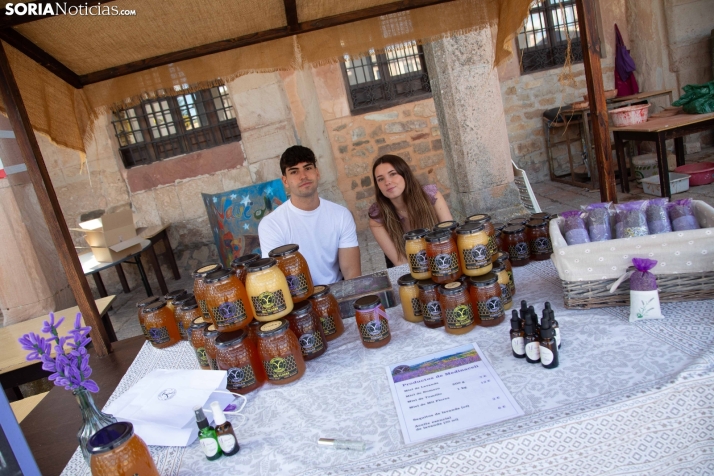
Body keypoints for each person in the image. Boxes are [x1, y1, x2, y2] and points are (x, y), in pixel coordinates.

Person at [258, 145, 361, 284]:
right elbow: (277, 281)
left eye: (307, 168)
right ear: (285, 181)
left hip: (338, 292)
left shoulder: (341, 215)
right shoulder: (271, 225)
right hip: (299, 301)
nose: (303, 176)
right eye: (294, 172)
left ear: (317, 173)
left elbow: (352, 274)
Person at [368, 154, 453, 266]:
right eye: (380, 179)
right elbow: (400, 263)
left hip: (443, 262)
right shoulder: (378, 217)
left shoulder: (431, 197)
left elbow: (450, 238)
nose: (387, 182)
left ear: (405, 175)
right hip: (408, 270)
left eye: (393, 174)